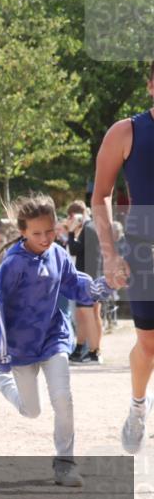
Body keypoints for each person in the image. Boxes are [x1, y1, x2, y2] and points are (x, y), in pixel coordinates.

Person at [0, 194, 109, 486]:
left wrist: (101, 287)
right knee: (31, 410)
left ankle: (65, 464)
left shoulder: (58, 254)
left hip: (53, 338)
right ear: (23, 231)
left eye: (49, 231)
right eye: (37, 233)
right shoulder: (13, 264)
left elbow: (75, 285)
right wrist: (0, 347)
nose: (45, 238)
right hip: (20, 347)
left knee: (63, 398)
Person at [92, 61, 154, 454]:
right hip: (145, 253)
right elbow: (100, 195)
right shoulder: (126, 132)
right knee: (148, 345)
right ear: (150, 86)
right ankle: (137, 407)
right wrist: (110, 254)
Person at [65, 200, 103, 364]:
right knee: (88, 315)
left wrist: (71, 232)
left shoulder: (88, 229)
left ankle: (93, 352)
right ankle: (81, 349)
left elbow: (74, 250)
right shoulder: (93, 227)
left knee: (88, 316)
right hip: (94, 277)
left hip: (88, 278)